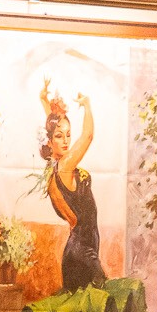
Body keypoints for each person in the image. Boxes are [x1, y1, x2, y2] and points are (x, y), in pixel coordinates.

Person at [41, 80, 106, 292]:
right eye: (59, 137)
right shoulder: (65, 165)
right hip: (82, 252)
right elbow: (87, 136)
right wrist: (87, 105)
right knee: (103, 307)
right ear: (49, 143)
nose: (66, 141)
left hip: (77, 250)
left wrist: (45, 103)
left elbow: (52, 129)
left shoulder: (54, 169)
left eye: (68, 134)